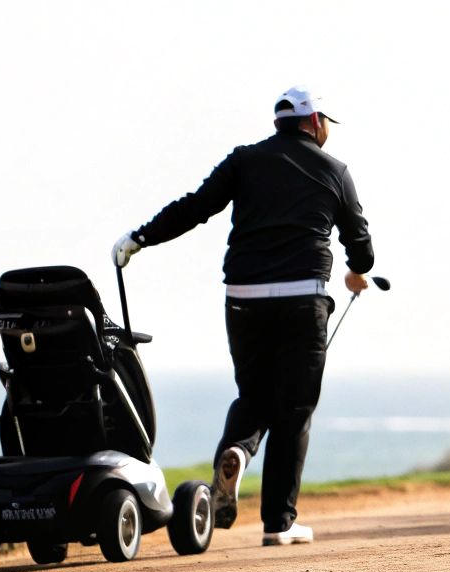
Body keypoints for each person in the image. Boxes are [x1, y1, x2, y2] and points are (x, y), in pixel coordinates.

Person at [113, 85, 374, 546]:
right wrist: (356, 271)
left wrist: (139, 238)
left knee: (253, 397)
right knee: (293, 410)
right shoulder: (336, 171)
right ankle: (279, 522)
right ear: (314, 123)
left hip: (244, 299)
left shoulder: (244, 160)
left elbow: (195, 207)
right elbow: (362, 248)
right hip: (302, 301)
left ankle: (236, 451)